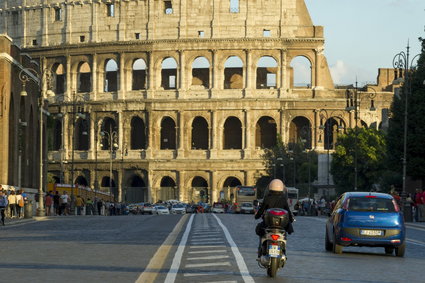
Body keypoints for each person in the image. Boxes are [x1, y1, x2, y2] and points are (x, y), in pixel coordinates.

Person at [254, 179, 294, 257]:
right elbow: (288, 211)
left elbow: (261, 210)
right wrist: (291, 220)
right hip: (281, 225)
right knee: (285, 233)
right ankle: (283, 249)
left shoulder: (267, 198)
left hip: (268, 224)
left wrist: (257, 216)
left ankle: (260, 248)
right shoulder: (283, 199)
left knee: (260, 230)